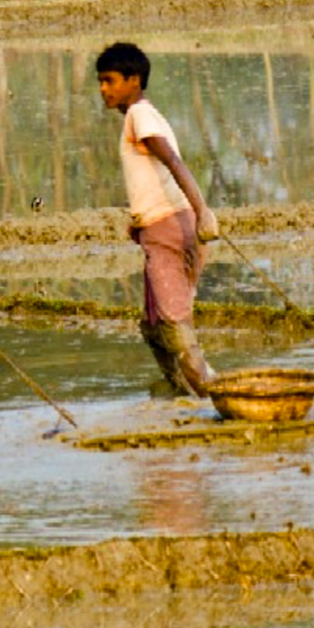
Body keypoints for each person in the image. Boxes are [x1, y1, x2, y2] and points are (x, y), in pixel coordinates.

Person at [96, 42, 220, 397]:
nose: (104, 89)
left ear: (133, 81)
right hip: (162, 226)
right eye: (101, 82)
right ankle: (181, 391)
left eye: (110, 80)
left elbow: (174, 163)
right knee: (153, 326)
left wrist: (202, 211)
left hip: (169, 228)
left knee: (172, 324)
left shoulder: (140, 116)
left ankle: (212, 398)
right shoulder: (144, 115)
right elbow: (157, 176)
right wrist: (140, 218)